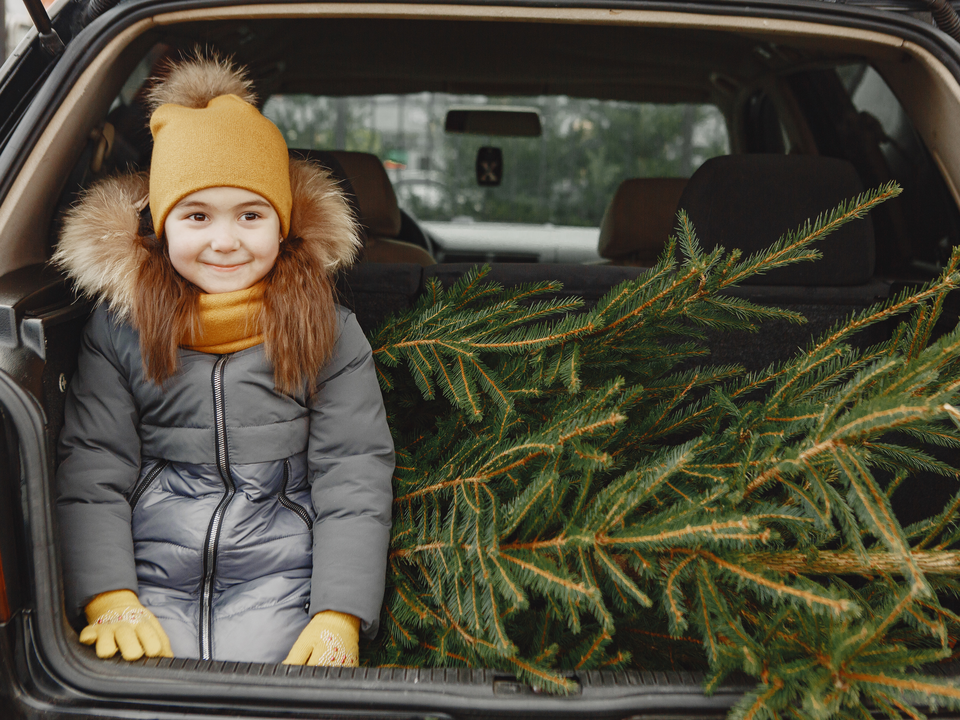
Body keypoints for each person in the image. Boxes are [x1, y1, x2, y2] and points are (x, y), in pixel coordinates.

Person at [52, 54, 394, 667]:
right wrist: (108, 595)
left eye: (252, 214)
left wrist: (338, 612)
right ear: (161, 223)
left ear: (283, 224)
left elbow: (353, 475)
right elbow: (93, 467)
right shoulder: (121, 329)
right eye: (197, 216)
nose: (225, 240)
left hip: (284, 575)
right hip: (148, 572)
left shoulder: (327, 329)